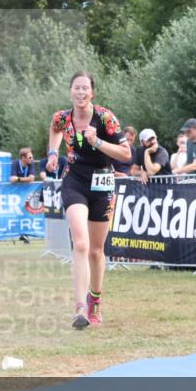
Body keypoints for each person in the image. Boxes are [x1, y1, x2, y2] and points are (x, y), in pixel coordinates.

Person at [45, 71, 131, 329]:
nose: (80, 93)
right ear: (70, 91)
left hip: (103, 183)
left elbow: (125, 154)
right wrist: (52, 152)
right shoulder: (62, 117)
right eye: (76, 88)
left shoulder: (106, 118)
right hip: (75, 180)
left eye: (85, 88)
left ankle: (95, 300)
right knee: (80, 243)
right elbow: (55, 129)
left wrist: (98, 141)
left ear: (92, 92)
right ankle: (80, 307)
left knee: (96, 250)